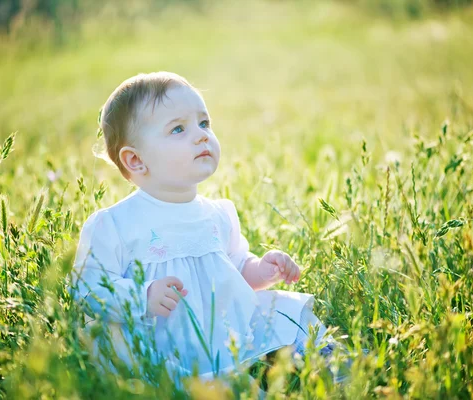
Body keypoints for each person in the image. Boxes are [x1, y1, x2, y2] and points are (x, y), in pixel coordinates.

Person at [72, 71, 345, 385]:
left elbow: (235, 270)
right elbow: (87, 288)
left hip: (224, 331)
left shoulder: (217, 214)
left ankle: (336, 367)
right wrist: (142, 295)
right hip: (162, 347)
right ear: (135, 160)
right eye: (178, 128)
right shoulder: (116, 225)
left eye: (204, 123)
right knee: (209, 387)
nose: (201, 135)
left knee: (285, 312)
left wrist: (262, 269)